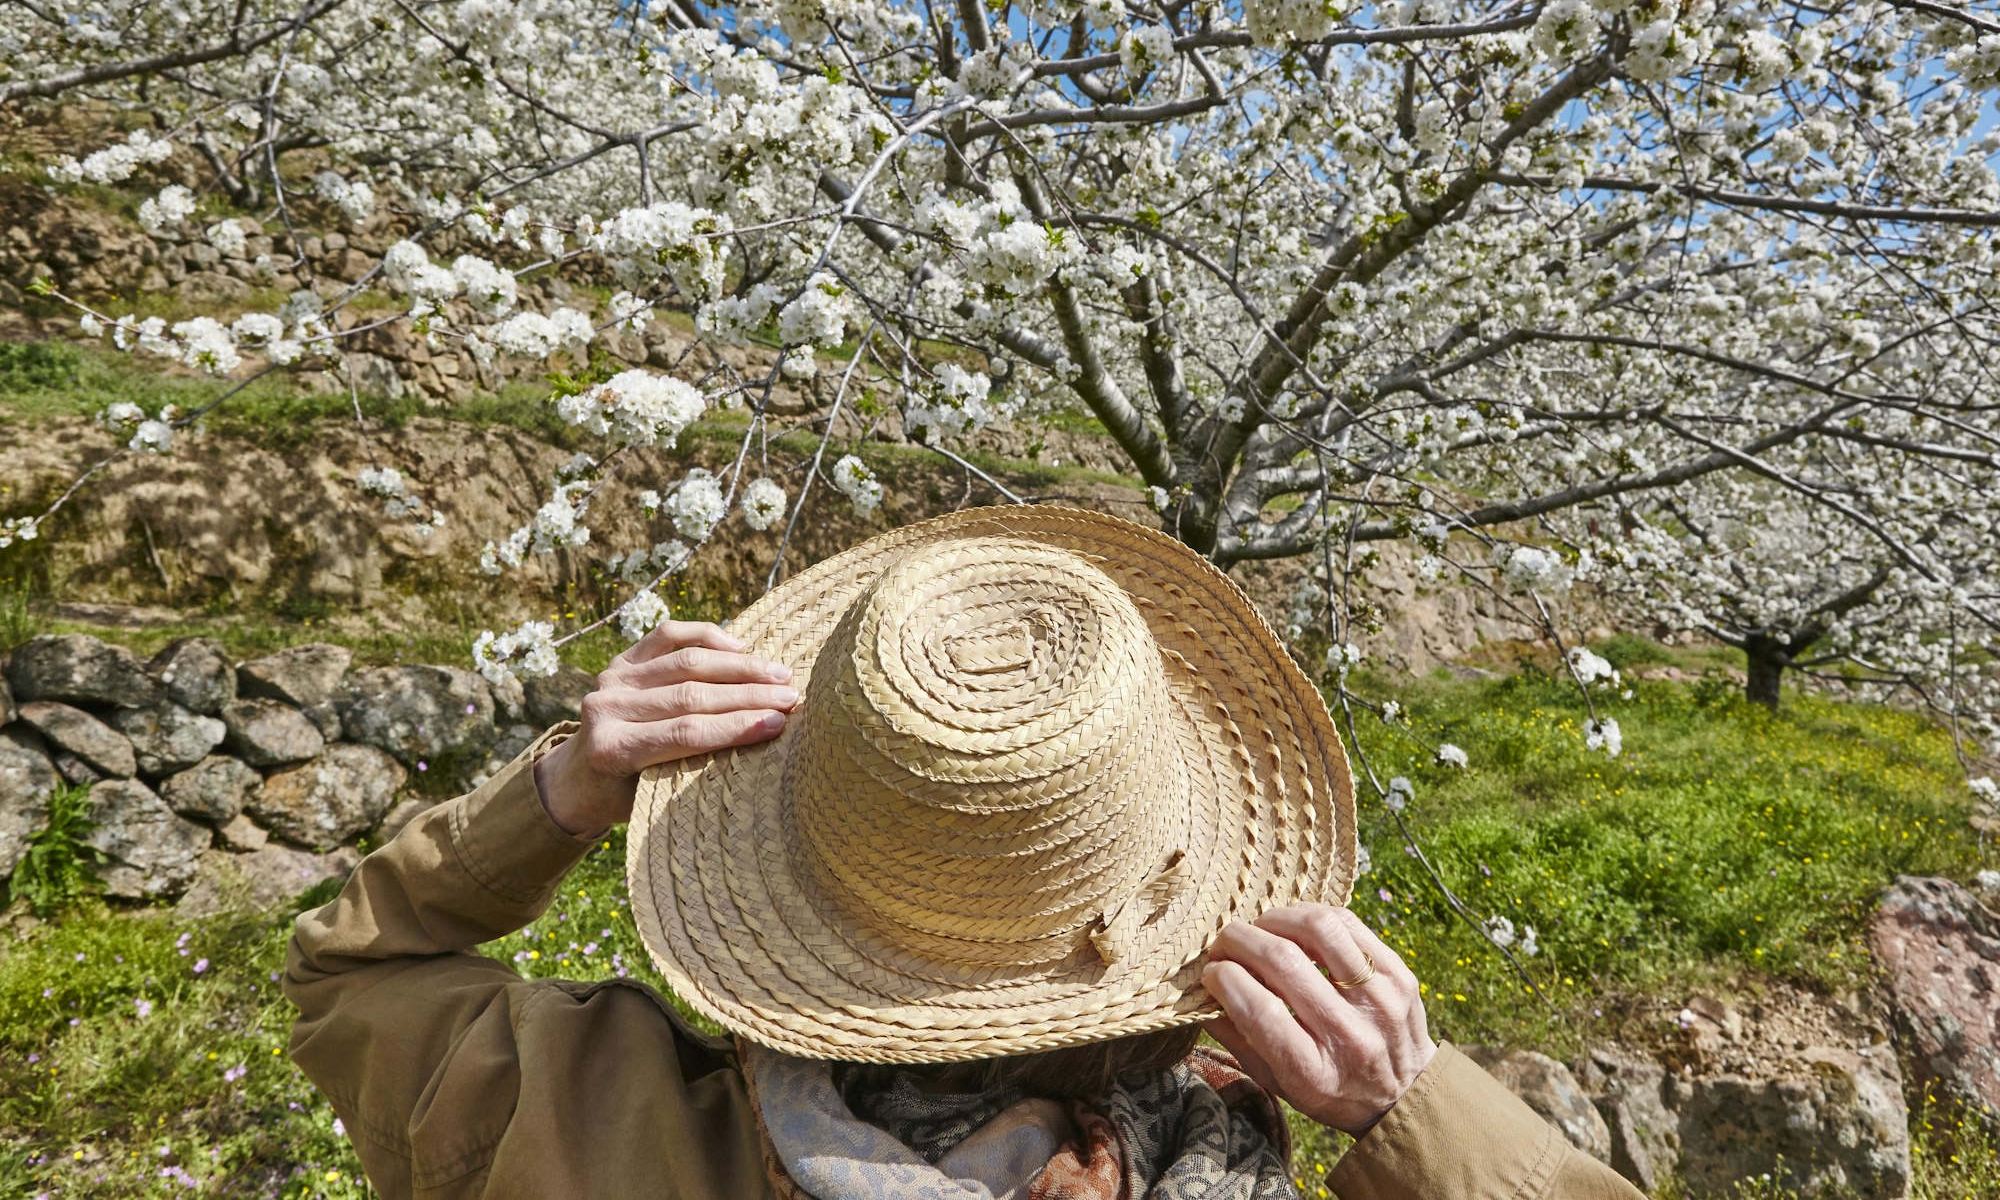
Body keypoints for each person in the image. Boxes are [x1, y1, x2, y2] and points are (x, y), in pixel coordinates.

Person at [286, 509, 1644, 1199]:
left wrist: (562, 786)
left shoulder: (588, 1126)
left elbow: (355, 973)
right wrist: (1414, 1115)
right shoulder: (1232, 1166)